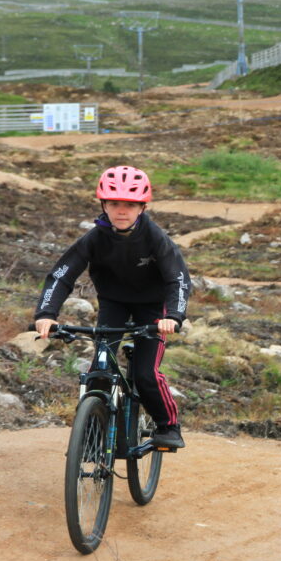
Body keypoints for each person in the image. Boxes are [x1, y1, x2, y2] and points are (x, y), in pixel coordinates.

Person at [33, 165, 192, 449]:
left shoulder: (155, 238)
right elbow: (61, 276)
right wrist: (46, 315)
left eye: (130, 205)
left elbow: (177, 279)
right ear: (103, 205)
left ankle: (168, 425)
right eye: (114, 204)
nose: (122, 211)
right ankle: (93, 435)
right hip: (113, 302)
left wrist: (175, 316)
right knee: (100, 373)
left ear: (142, 207)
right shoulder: (94, 238)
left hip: (154, 309)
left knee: (146, 374)